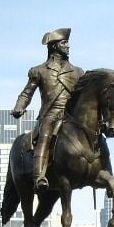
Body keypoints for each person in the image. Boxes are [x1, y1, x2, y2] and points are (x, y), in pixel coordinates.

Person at [12, 28, 84, 192]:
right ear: (54, 46)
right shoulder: (40, 71)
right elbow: (27, 93)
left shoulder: (78, 72)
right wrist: (19, 107)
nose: (68, 46)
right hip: (50, 115)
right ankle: (39, 176)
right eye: (64, 43)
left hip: (71, 117)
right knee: (44, 135)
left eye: (67, 42)